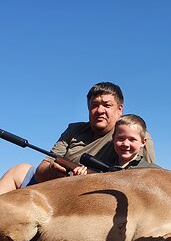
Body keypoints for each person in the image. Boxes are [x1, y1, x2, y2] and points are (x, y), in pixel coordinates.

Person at [0, 82, 155, 194]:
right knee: (19, 170)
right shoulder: (74, 130)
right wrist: (52, 171)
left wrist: (89, 179)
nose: (100, 110)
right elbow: (42, 170)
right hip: (54, 186)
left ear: (119, 109)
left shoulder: (134, 135)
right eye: (94, 105)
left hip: (88, 195)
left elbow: (147, 179)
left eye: (107, 105)